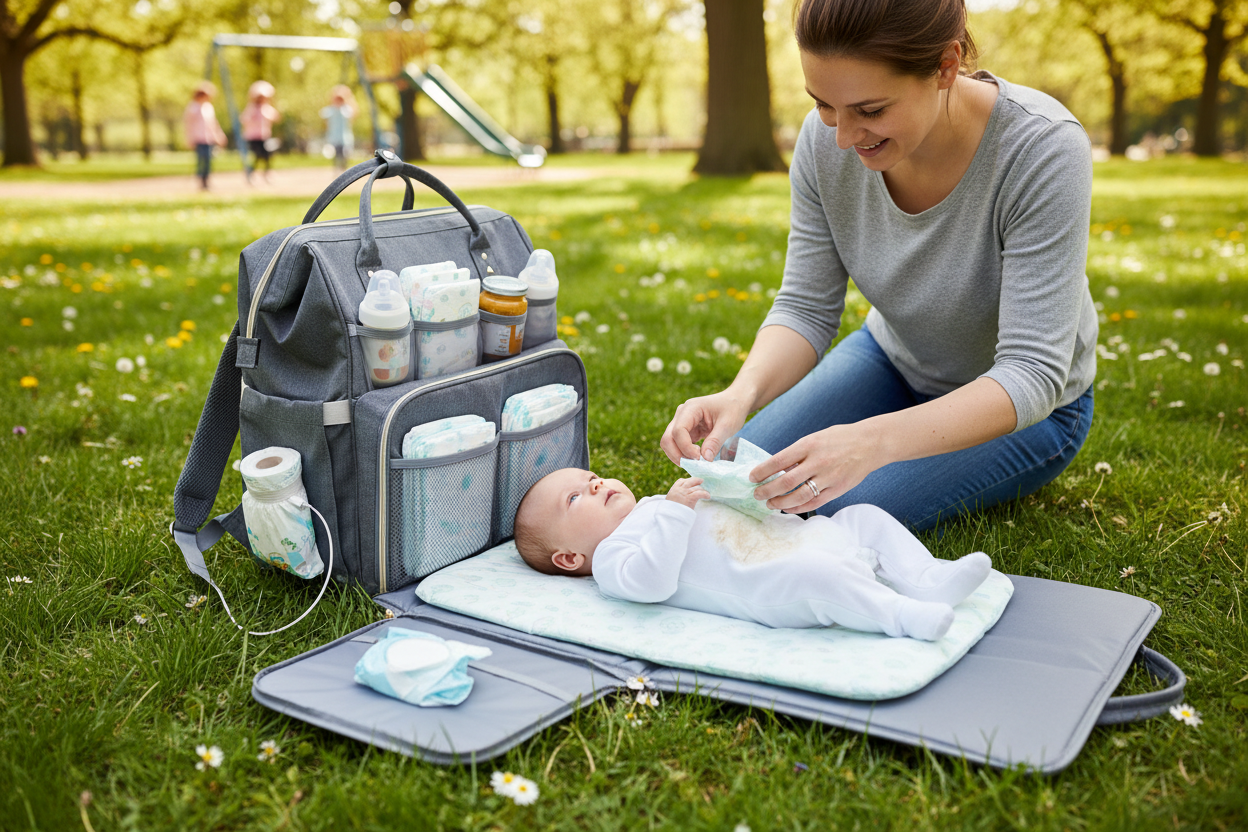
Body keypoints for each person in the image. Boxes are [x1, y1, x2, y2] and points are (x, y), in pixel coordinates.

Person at [660, 0, 1096, 532]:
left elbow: (1032, 373)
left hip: (1031, 411)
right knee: (737, 484)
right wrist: (739, 394)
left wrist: (870, 441)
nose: (843, 137)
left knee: (831, 513)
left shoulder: (1042, 148)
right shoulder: (823, 142)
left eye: (869, 111)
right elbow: (805, 306)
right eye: (824, 104)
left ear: (945, 66)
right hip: (893, 360)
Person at [513, 467, 993, 641]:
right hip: (780, 578)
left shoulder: (657, 504)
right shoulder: (611, 560)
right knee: (821, 576)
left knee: (864, 516)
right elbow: (652, 582)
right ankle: (902, 615)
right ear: (569, 558)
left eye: (590, 478)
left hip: (807, 537)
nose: (595, 484)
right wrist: (676, 513)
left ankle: (928, 578)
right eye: (575, 498)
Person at [183, 81, 227, 191]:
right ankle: (201, 180)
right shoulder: (192, 108)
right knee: (201, 159)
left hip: (208, 138)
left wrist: (219, 136)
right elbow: (188, 125)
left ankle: (206, 179)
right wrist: (189, 138)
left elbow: (213, 124)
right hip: (198, 138)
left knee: (208, 159)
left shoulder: (208, 107)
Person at [242, 80, 281, 182]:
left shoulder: (267, 108)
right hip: (253, 137)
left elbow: (276, 118)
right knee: (258, 155)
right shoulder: (251, 108)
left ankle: (266, 173)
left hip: (264, 136)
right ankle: (251, 173)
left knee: (267, 155)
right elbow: (244, 119)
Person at [321, 85, 357, 172]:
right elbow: (323, 115)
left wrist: (348, 98)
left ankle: (344, 169)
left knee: (344, 154)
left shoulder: (345, 109)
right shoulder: (331, 110)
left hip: (345, 137)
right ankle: (337, 169)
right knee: (336, 154)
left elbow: (354, 112)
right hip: (334, 137)